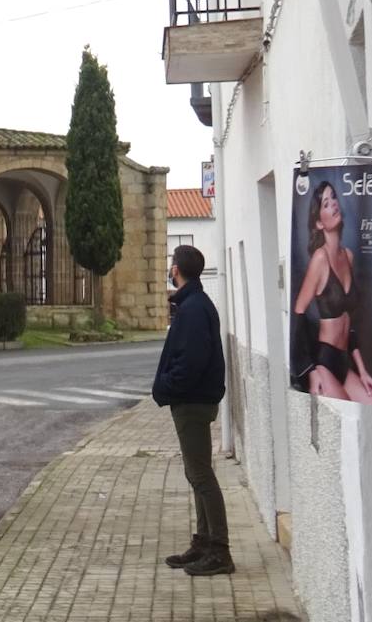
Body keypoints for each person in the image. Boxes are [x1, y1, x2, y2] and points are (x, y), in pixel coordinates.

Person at [154, 245, 232, 576]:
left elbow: (192, 361)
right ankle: (203, 542)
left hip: (193, 401)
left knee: (201, 475)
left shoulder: (194, 309)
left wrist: (167, 386)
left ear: (176, 270)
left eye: (172, 265)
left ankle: (219, 550)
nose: (170, 270)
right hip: (192, 399)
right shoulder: (193, 304)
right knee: (196, 473)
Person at [290, 181, 372, 405]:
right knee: (345, 419)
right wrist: (310, 370)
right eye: (326, 203)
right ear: (318, 222)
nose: (334, 204)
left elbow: (348, 321)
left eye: (334, 198)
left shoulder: (348, 256)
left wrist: (362, 371)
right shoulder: (319, 259)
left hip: (345, 360)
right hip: (324, 361)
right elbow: (298, 314)